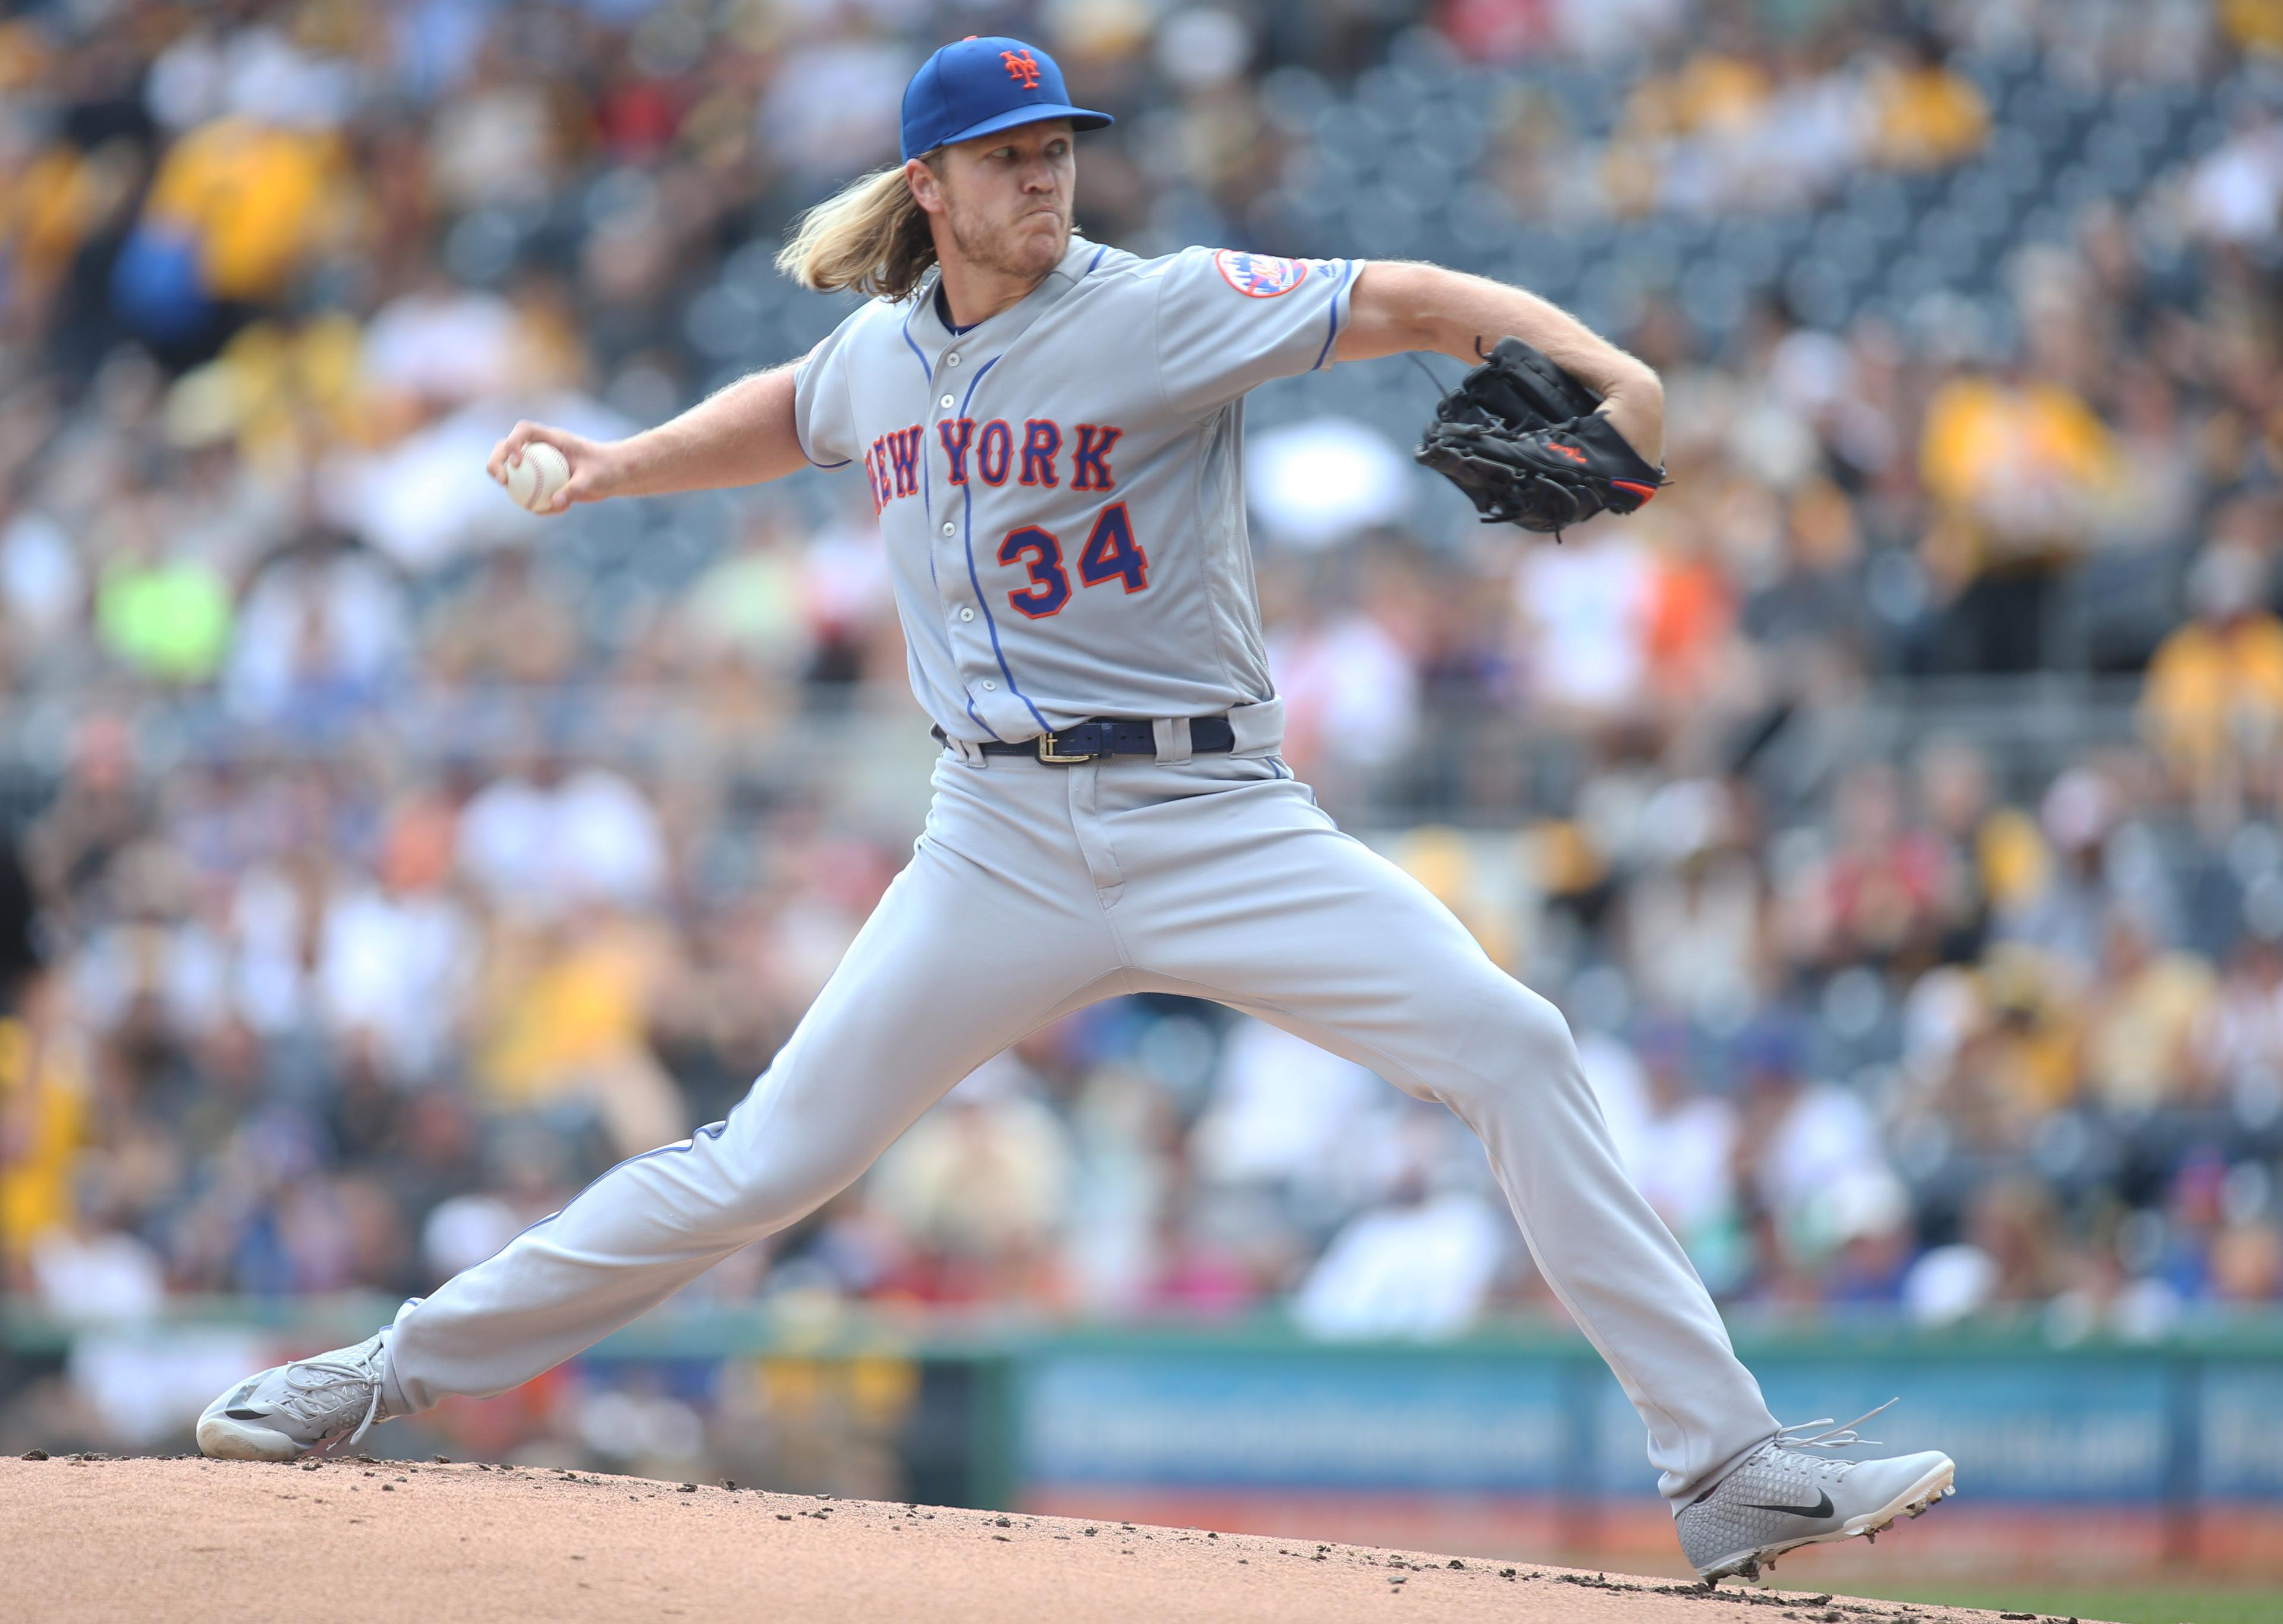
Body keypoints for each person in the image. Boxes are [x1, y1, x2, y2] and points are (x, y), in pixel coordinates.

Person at [196, 36, 1952, 1583]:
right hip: (994, 844)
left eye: (1061, 150)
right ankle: (381, 1369)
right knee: (761, 1161)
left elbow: (1412, 299)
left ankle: (1723, 1468)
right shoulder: (885, 357)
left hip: (1222, 818)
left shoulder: (1158, 302)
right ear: (931, 184)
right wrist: (611, 463)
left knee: (1511, 1041)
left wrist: (1614, 374)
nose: (1049, 175)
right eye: (1013, 157)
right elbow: (791, 408)